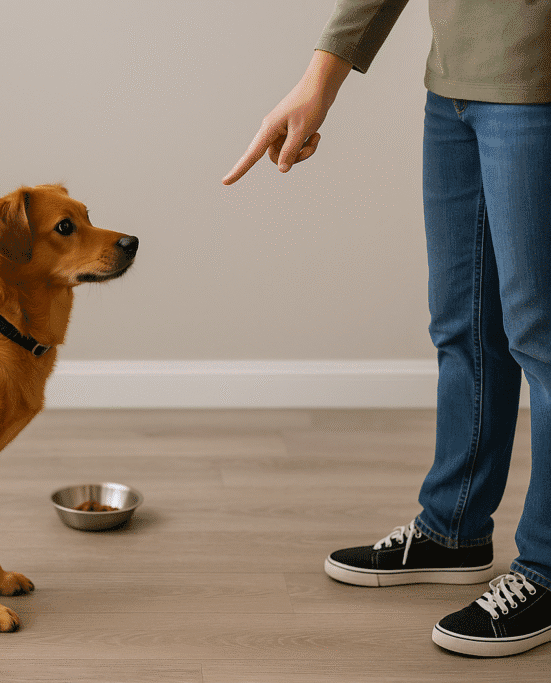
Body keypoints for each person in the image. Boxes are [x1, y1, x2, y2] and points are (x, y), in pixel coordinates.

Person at [222, 0, 551, 658]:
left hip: (534, 87)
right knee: (463, 324)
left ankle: (546, 567)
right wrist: (322, 79)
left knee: (540, 343)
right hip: (453, 84)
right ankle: (453, 525)